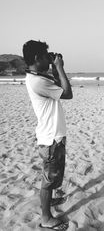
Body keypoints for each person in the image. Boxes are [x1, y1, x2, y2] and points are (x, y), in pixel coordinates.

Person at [23, 40, 73, 230]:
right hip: (52, 138)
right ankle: (46, 218)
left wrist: (54, 67)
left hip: (49, 135)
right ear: (37, 58)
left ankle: (49, 202)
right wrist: (59, 67)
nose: (48, 58)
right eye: (46, 56)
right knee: (48, 180)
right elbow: (67, 93)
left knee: (51, 176)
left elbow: (58, 87)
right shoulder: (38, 81)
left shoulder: (36, 76)